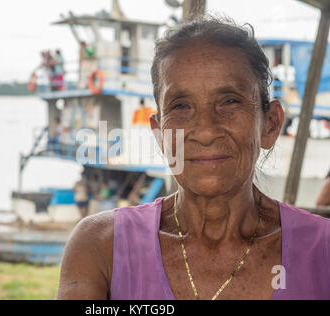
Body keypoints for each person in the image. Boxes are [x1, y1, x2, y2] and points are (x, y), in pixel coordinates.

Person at [57, 16, 330, 300]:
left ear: (271, 124)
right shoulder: (102, 246)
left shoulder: (322, 249)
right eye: (181, 106)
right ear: (160, 135)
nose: (206, 131)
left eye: (230, 101)